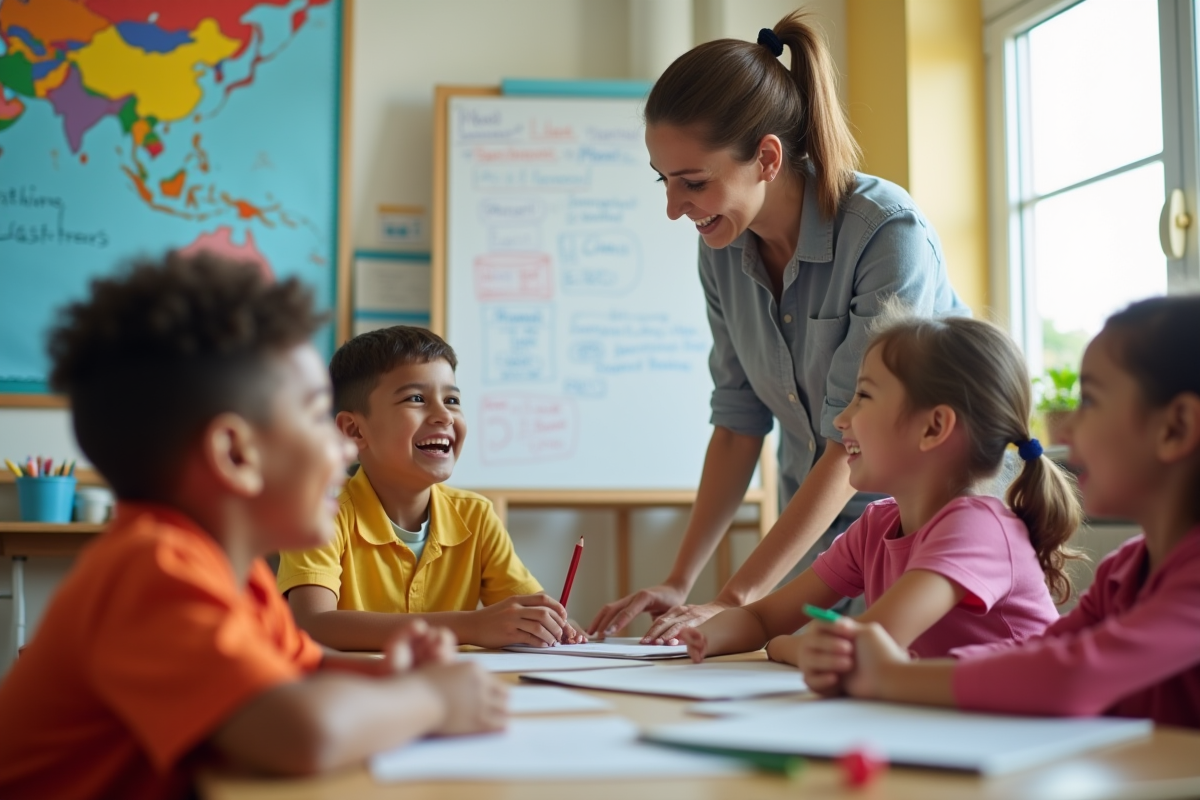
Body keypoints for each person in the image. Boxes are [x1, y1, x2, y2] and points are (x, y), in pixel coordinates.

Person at [0, 255, 507, 799]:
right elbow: (301, 732)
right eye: (317, 417)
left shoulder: (237, 577)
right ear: (235, 454)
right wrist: (431, 700)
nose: (342, 446)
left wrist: (398, 680)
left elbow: (302, 676)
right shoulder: (152, 569)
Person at [589, 10, 967, 642]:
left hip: (931, 534)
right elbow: (738, 424)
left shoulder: (885, 233)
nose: (673, 208)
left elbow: (855, 441)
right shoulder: (722, 254)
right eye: (664, 181)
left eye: (693, 182)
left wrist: (739, 599)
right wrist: (682, 581)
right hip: (820, 542)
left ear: (767, 157)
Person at [805, 296, 1200, 728]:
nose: (1063, 428)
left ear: (1176, 427)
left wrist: (891, 677)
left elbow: (1072, 677)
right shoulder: (1122, 573)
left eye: (1089, 401)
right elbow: (1040, 654)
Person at [681, 313, 1078, 668]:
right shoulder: (877, 526)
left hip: (1021, 737)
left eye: (864, 396)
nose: (840, 419)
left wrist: (784, 646)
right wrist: (704, 634)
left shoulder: (978, 529)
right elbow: (762, 617)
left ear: (933, 428)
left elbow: (858, 654)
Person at [277, 326, 584, 651]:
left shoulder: (476, 516)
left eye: (452, 400)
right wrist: (472, 626)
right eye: (416, 399)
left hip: (450, 692)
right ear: (354, 430)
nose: (444, 416)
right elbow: (313, 624)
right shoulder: (321, 515)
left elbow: (523, 611)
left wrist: (549, 625)